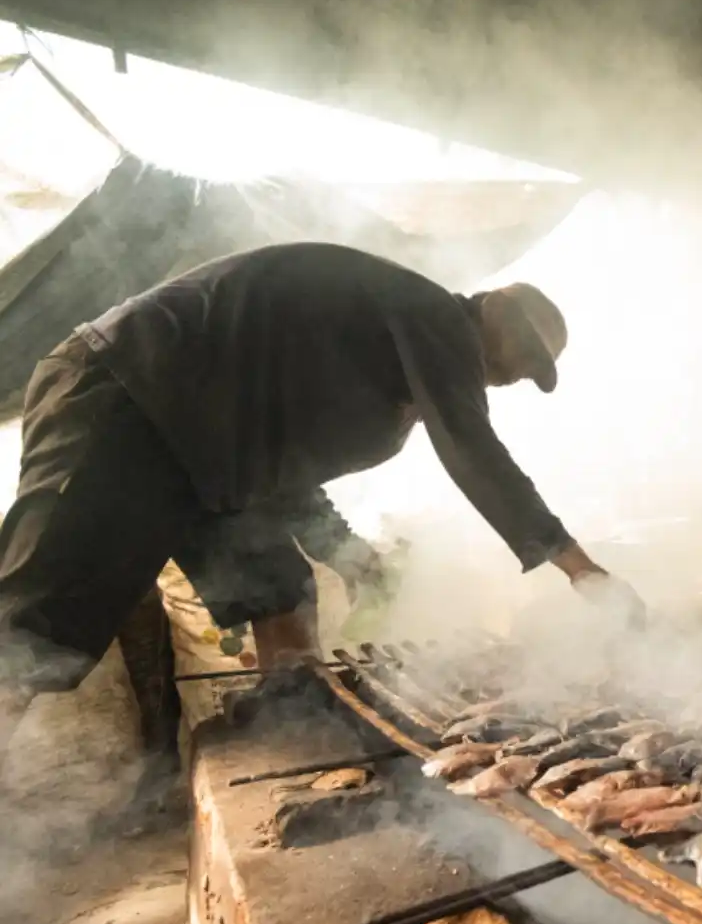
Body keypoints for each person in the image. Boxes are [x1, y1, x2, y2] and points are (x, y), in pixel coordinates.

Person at [0, 241, 642, 757]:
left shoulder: (396, 362)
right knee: (36, 632)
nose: (518, 377)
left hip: (205, 457)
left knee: (281, 588)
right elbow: (472, 448)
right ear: (494, 314)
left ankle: (290, 724)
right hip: (128, 398)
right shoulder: (436, 315)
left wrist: (350, 554)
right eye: (525, 358)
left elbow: (287, 472)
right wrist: (578, 566)